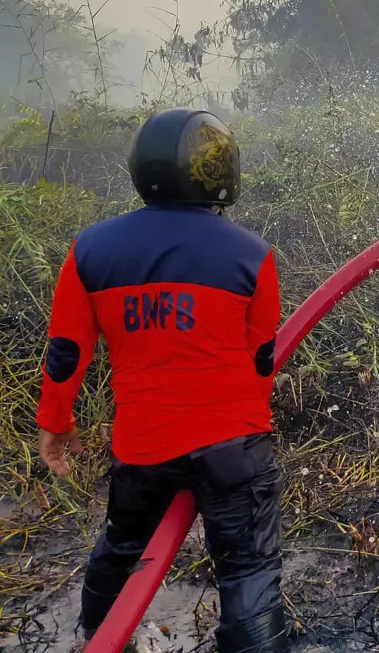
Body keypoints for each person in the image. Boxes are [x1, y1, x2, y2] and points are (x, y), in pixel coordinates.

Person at [35, 108, 288, 652]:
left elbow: (65, 353)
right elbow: (260, 359)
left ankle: (97, 636)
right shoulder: (252, 254)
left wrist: (54, 423)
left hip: (143, 449)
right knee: (247, 571)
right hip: (234, 447)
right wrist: (243, 433)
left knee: (122, 545)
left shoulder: (90, 250)